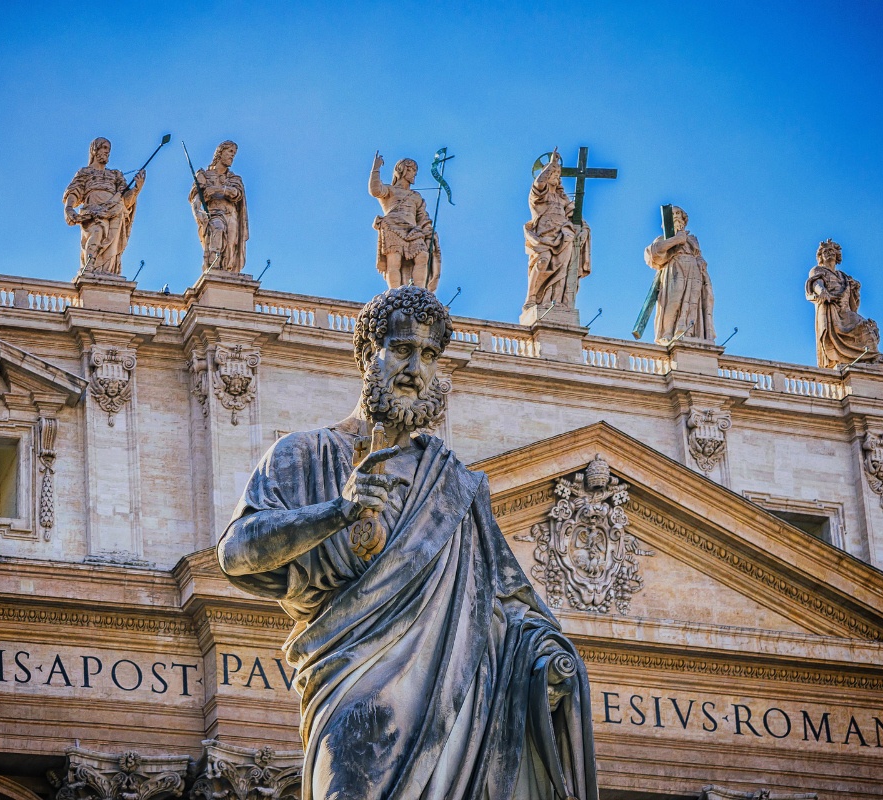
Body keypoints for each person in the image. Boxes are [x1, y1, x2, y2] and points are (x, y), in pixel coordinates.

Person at [218, 285, 597, 800]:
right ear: (366, 357)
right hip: (350, 692)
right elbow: (236, 553)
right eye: (401, 350)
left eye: (430, 355)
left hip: (451, 711)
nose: (416, 369)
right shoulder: (307, 456)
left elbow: (507, 607)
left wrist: (544, 657)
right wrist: (337, 511)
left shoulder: (456, 487)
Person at [63, 138, 144, 276]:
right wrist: (69, 207)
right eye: (105, 148)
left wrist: (137, 188)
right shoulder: (85, 172)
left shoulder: (115, 174)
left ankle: (107, 274)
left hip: (115, 210)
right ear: (95, 149)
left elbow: (125, 199)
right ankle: (89, 269)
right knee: (97, 232)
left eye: (109, 149)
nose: (107, 152)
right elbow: (74, 191)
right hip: (93, 211)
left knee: (111, 243)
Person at [524, 149, 590, 310]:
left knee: (564, 269)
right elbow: (539, 183)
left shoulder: (562, 199)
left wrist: (584, 230)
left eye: (557, 174)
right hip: (543, 238)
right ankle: (532, 299)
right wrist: (552, 164)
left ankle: (557, 302)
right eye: (552, 173)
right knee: (542, 262)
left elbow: (577, 217)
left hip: (564, 236)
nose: (555, 176)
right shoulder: (538, 196)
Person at [805, 239, 882, 368]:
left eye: (831, 251)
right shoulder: (817, 270)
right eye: (825, 251)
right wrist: (822, 291)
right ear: (821, 256)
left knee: (865, 326)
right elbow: (815, 283)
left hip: (845, 310)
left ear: (837, 255)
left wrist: (855, 289)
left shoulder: (843, 276)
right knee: (838, 335)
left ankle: (873, 357)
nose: (829, 253)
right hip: (830, 307)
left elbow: (853, 304)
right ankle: (844, 359)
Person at [369, 154, 440, 291]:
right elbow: (375, 190)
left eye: (415, 171)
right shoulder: (390, 190)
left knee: (423, 256)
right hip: (392, 226)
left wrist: (428, 230)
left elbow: (423, 217)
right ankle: (394, 293)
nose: (414, 174)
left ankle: (419, 292)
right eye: (412, 170)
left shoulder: (416, 197)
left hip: (413, 230)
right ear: (402, 170)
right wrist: (376, 169)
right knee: (394, 260)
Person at [643, 206, 714, 342]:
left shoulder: (692, 240)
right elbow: (652, 254)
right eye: (672, 214)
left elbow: (698, 255)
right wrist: (675, 240)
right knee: (674, 301)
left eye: (677, 213)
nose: (675, 216)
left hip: (694, 269)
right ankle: (667, 333)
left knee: (693, 301)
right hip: (675, 266)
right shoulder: (662, 239)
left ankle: (689, 333)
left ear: (683, 218)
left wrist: (701, 261)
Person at [191, 140, 249, 273]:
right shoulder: (204, 175)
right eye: (230, 151)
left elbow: (237, 193)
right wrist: (197, 212)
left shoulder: (234, 178)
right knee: (218, 229)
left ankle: (227, 277)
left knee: (230, 249)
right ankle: (213, 269)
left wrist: (218, 190)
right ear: (220, 152)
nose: (232, 156)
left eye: (234, 153)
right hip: (214, 214)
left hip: (232, 217)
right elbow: (196, 197)